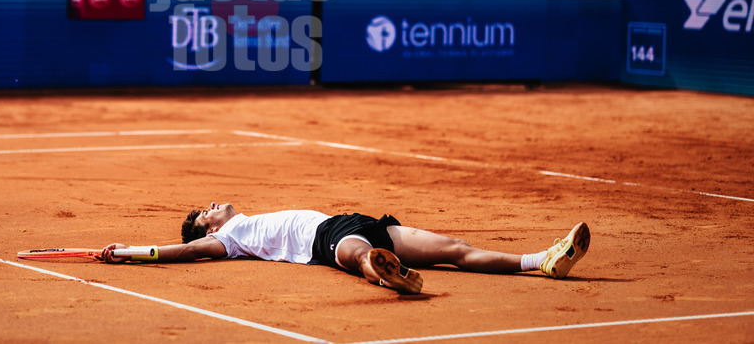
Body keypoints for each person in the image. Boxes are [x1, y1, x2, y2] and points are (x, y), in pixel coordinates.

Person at [98, 203, 591, 296]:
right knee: (357, 256)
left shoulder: (243, 222)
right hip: (324, 242)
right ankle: (384, 274)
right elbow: (180, 252)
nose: (212, 205)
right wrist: (130, 251)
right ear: (205, 229)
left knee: (454, 249)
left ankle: (543, 261)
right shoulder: (223, 241)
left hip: (351, 220)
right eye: (204, 210)